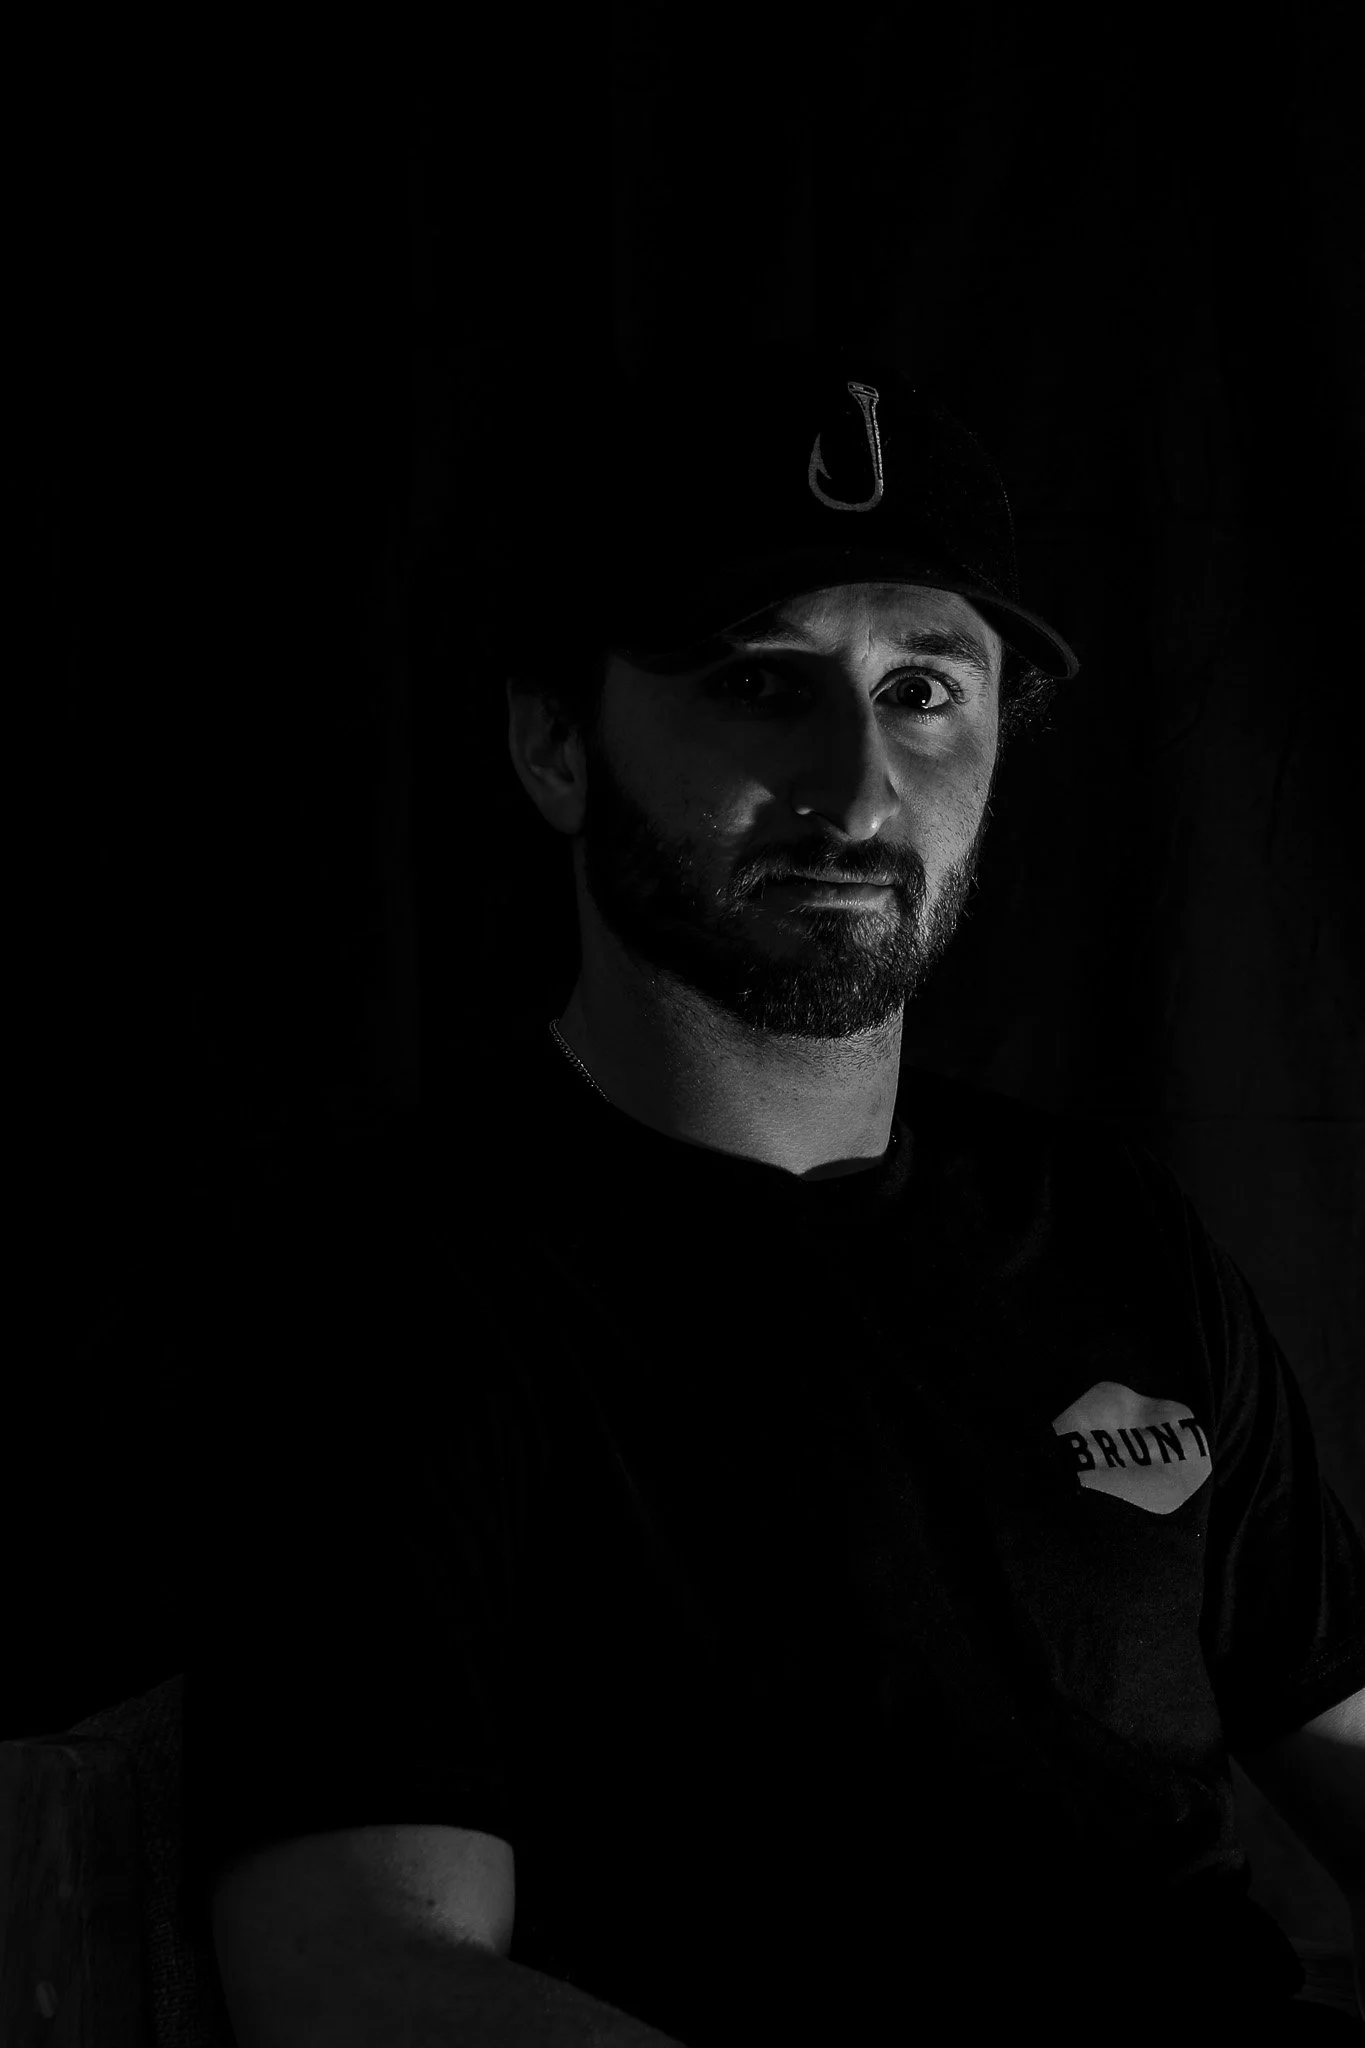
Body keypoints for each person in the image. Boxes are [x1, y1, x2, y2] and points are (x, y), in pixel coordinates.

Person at [187, 341, 1365, 2045]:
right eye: (757, 684)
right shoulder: (400, 1286)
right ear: (554, 746)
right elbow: (355, 1969)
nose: (859, 789)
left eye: (924, 691)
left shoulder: (1106, 1235)